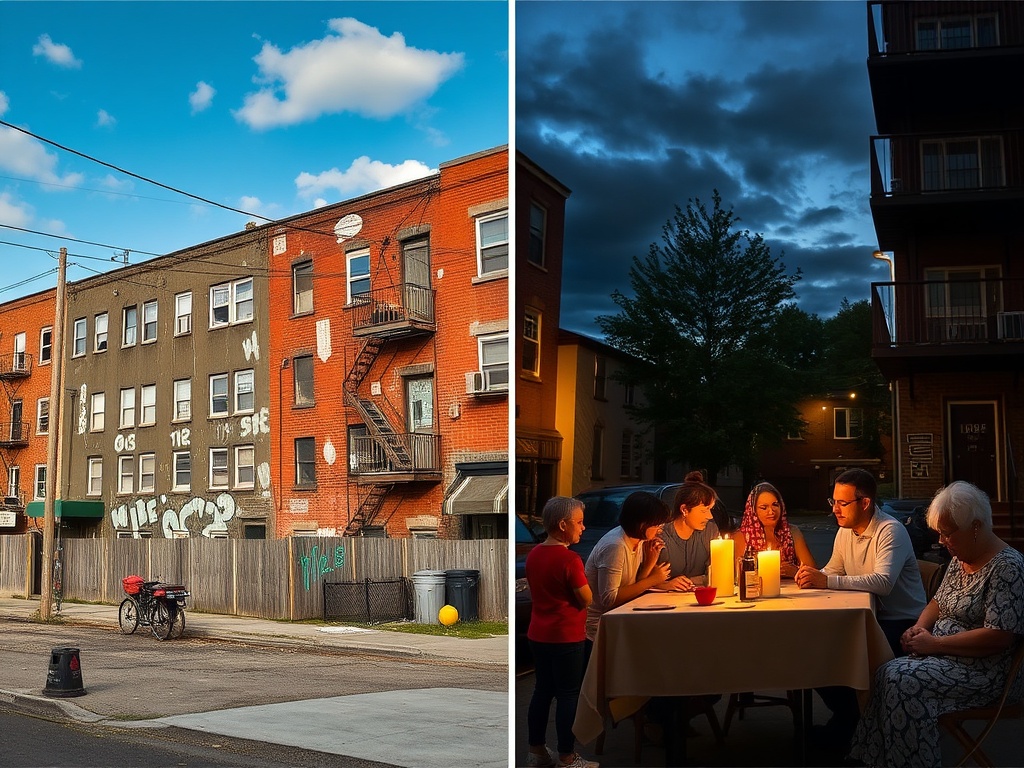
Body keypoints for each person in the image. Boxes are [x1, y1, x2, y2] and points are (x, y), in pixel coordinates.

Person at [848, 481, 1024, 768]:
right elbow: (938, 603)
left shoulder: (1008, 568)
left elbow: (999, 637)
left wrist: (936, 644)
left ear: (976, 527)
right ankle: (880, 760)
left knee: (901, 680)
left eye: (947, 533)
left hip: (986, 673)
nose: (942, 541)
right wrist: (920, 628)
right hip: (948, 658)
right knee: (885, 673)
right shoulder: (961, 558)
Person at [794, 467, 927, 753]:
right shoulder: (846, 531)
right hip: (868, 617)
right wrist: (809, 576)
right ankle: (852, 721)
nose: (835, 510)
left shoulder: (890, 530)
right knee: (811, 652)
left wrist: (826, 580)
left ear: (865, 503)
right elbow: (833, 569)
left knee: (838, 655)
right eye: (833, 502)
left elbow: (883, 582)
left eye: (842, 503)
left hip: (902, 621)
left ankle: (851, 727)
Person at [525, 497, 599, 768]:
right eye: (578, 522)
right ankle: (567, 757)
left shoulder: (534, 554)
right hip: (566, 636)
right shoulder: (569, 559)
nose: (583, 527)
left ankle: (536, 752)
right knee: (568, 694)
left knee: (542, 691)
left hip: (538, 634)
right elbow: (586, 599)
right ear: (562, 524)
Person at [584, 491, 686, 644]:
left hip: (621, 619)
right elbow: (609, 599)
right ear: (642, 524)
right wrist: (654, 580)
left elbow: (635, 585)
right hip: (599, 628)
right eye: (657, 525)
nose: (660, 530)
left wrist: (650, 562)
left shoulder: (638, 541)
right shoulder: (616, 546)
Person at [734, 482, 816, 579]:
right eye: (764, 508)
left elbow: (812, 571)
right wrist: (768, 571)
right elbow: (737, 575)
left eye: (775, 505)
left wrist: (796, 572)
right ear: (753, 511)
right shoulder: (742, 536)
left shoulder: (792, 532)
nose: (771, 512)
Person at [657, 471, 720, 588]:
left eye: (710, 509)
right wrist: (665, 585)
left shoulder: (710, 531)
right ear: (684, 510)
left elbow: (717, 573)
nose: (710, 516)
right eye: (704, 510)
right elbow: (645, 580)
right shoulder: (660, 536)